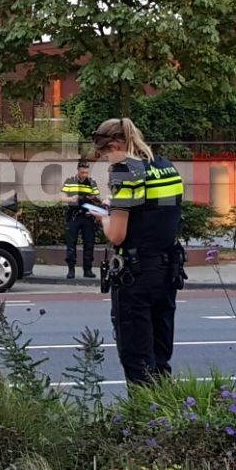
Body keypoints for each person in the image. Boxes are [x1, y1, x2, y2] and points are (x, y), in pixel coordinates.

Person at [89, 117, 186, 386]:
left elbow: (117, 234)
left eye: (105, 153)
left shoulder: (125, 171)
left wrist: (107, 216)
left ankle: (145, 423)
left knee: (138, 361)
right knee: (160, 358)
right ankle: (167, 418)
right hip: (167, 271)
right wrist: (120, 205)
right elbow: (159, 213)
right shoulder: (165, 166)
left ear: (117, 144)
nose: (106, 160)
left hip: (137, 273)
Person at [59, 161, 102, 279]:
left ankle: (87, 269)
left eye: (86, 172)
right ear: (78, 170)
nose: (84, 175)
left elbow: (98, 198)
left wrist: (93, 199)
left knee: (89, 243)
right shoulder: (70, 181)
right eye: (82, 172)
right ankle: (71, 269)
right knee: (71, 243)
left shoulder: (92, 182)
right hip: (74, 216)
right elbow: (62, 197)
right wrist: (71, 199)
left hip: (87, 216)